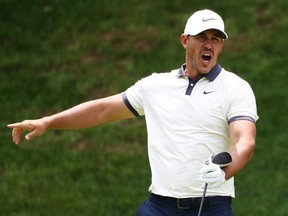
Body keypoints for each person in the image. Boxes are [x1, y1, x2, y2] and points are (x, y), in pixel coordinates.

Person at [7, 9, 258, 216]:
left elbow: (245, 141)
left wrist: (224, 171)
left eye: (216, 38)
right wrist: (49, 121)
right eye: (202, 36)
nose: (209, 44)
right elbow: (103, 111)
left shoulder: (235, 88)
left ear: (222, 45)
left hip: (211, 207)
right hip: (159, 206)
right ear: (185, 40)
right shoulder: (155, 86)